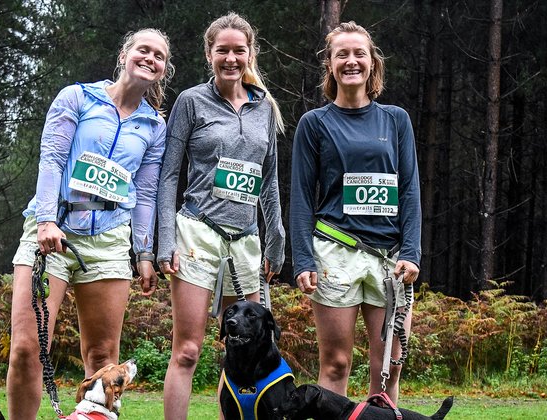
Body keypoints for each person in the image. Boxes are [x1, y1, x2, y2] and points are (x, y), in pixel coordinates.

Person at [5, 28, 173, 419]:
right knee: (29, 348)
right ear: (124, 54)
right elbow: (52, 160)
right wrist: (46, 219)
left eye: (159, 56)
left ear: (164, 69)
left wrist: (144, 253)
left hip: (110, 243)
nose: (150, 58)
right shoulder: (77, 97)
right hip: (53, 233)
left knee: (102, 356)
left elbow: (145, 195)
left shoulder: (155, 127)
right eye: (142, 50)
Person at [156, 12, 285, 419]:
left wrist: (276, 242)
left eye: (239, 50)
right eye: (222, 50)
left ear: (250, 54)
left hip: (246, 241)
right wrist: (163, 242)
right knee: (189, 350)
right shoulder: (191, 101)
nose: (231, 58)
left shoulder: (265, 107)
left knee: (243, 348)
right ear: (209, 53)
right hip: (197, 233)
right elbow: (167, 177)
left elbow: (269, 181)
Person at [290, 21, 421, 402]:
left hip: (389, 260)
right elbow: (300, 196)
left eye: (359, 53)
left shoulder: (396, 119)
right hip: (334, 253)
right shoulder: (314, 123)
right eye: (341, 54)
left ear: (372, 63)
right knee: (335, 364)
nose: (351, 61)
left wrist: (411, 251)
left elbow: (410, 188)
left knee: (389, 367)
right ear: (330, 65)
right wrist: (302, 259)